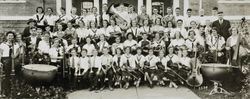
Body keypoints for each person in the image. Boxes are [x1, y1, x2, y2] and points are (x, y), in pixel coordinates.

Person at [0, 31, 20, 97]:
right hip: (5, 59)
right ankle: (7, 90)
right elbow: (0, 54)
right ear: (6, 37)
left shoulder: (16, 44)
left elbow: (18, 51)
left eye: (12, 36)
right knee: (7, 69)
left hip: (13, 58)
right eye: (9, 36)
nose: (10, 37)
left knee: (18, 64)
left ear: (14, 37)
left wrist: (15, 55)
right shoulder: (3, 44)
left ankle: (16, 86)